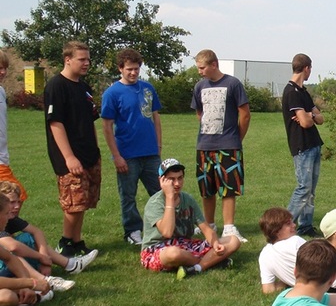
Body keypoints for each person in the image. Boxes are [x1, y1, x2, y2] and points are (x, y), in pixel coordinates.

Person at [44, 41, 101, 257]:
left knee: (83, 201)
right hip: (70, 157)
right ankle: (65, 243)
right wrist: (69, 157)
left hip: (89, 154)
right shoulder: (56, 86)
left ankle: (77, 242)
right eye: (81, 59)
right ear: (67, 59)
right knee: (73, 201)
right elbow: (55, 123)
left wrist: (95, 149)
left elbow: (91, 120)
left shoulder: (84, 88)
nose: (86, 63)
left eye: (88, 59)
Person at [140, 158, 241, 279]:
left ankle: (198, 268)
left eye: (180, 178)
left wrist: (215, 244)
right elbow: (167, 232)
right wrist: (170, 198)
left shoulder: (188, 199)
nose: (177, 184)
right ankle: (211, 262)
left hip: (185, 245)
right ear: (161, 180)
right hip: (157, 248)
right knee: (173, 254)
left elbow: (206, 229)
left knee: (233, 240)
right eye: (172, 179)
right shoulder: (155, 203)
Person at [101, 48, 162, 246]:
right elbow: (107, 126)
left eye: (136, 69)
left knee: (161, 191)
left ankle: (167, 225)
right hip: (127, 154)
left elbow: (156, 118)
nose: (133, 73)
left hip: (151, 152)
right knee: (128, 195)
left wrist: (158, 145)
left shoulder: (147, 88)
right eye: (129, 69)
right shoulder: (112, 93)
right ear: (120, 68)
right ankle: (133, 230)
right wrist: (116, 155)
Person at [191, 49, 250, 243]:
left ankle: (229, 228)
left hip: (228, 145)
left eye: (202, 68)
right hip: (204, 146)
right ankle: (209, 225)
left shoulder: (233, 84)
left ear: (214, 64)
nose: (199, 71)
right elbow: (199, 113)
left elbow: (245, 115)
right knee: (206, 188)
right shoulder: (199, 86)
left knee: (229, 187)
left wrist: (236, 138)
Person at [0, 181, 97, 278]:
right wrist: (41, 257)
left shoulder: (10, 218)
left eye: (18, 202)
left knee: (28, 237)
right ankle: (43, 280)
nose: (17, 206)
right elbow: (13, 247)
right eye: (12, 202)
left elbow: (37, 232)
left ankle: (71, 265)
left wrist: (44, 259)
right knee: (13, 251)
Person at [282, 53, 324, 237]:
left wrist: (310, 115)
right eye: (310, 68)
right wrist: (309, 117)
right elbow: (306, 123)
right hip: (302, 146)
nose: (310, 72)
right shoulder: (291, 92)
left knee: (311, 190)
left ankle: (305, 225)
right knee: (304, 188)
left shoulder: (303, 92)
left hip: (314, 144)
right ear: (306, 68)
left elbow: (319, 118)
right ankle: (283, 226)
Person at [0, 49, 28, 202]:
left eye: (5, 68)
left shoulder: (1, 91)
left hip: (3, 157)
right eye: (0, 68)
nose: (3, 72)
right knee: (16, 197)